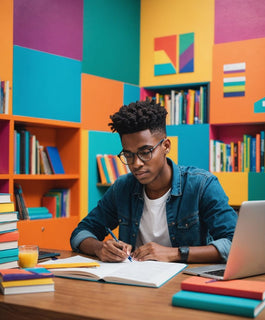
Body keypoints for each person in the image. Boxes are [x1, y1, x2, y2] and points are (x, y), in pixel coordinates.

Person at [70, 100, 237, 263]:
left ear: (165, 146)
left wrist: (175, 254)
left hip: (185, 283)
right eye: (128, 155)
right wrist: (100, 248)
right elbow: (81, 233)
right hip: (132, 284)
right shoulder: (122, 188)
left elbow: (234, 244)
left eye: (145, 152)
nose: (136, 164)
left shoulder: (202, 185)